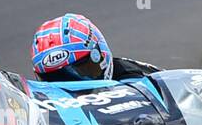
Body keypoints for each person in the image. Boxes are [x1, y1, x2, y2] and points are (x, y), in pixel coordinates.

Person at [29, 15, 159, 83]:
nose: (73, 86)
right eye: (55, 79)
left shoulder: (138, 80)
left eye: (84, 69)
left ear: (99, 52)